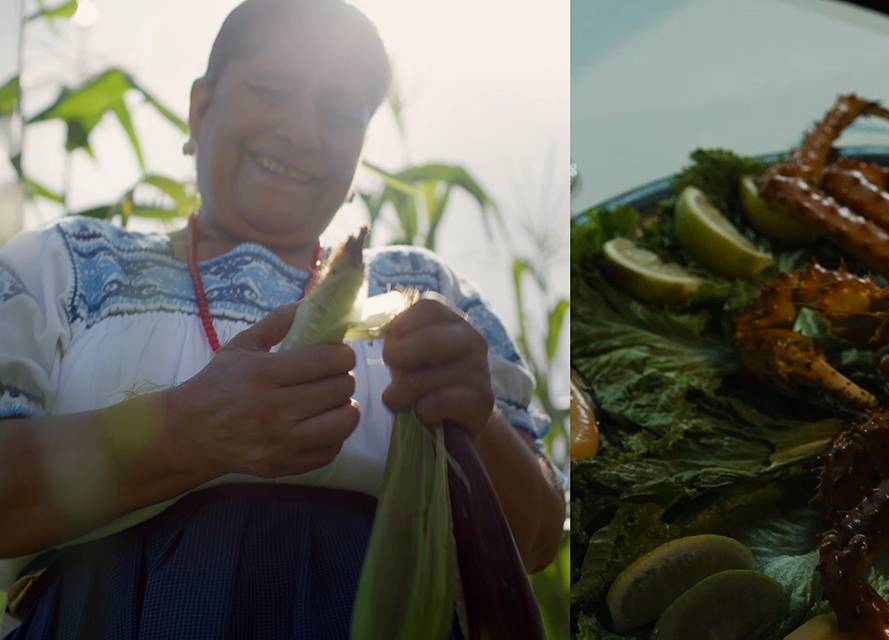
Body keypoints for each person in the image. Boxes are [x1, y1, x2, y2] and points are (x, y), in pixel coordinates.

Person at [0, 1, 566, 637]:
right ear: (199, 108)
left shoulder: (429, 288)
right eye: (272, 91)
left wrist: (478, 418)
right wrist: (187, 431)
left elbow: (540, 537)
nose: (302, 132)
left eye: (339, 112)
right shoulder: (61, 264)